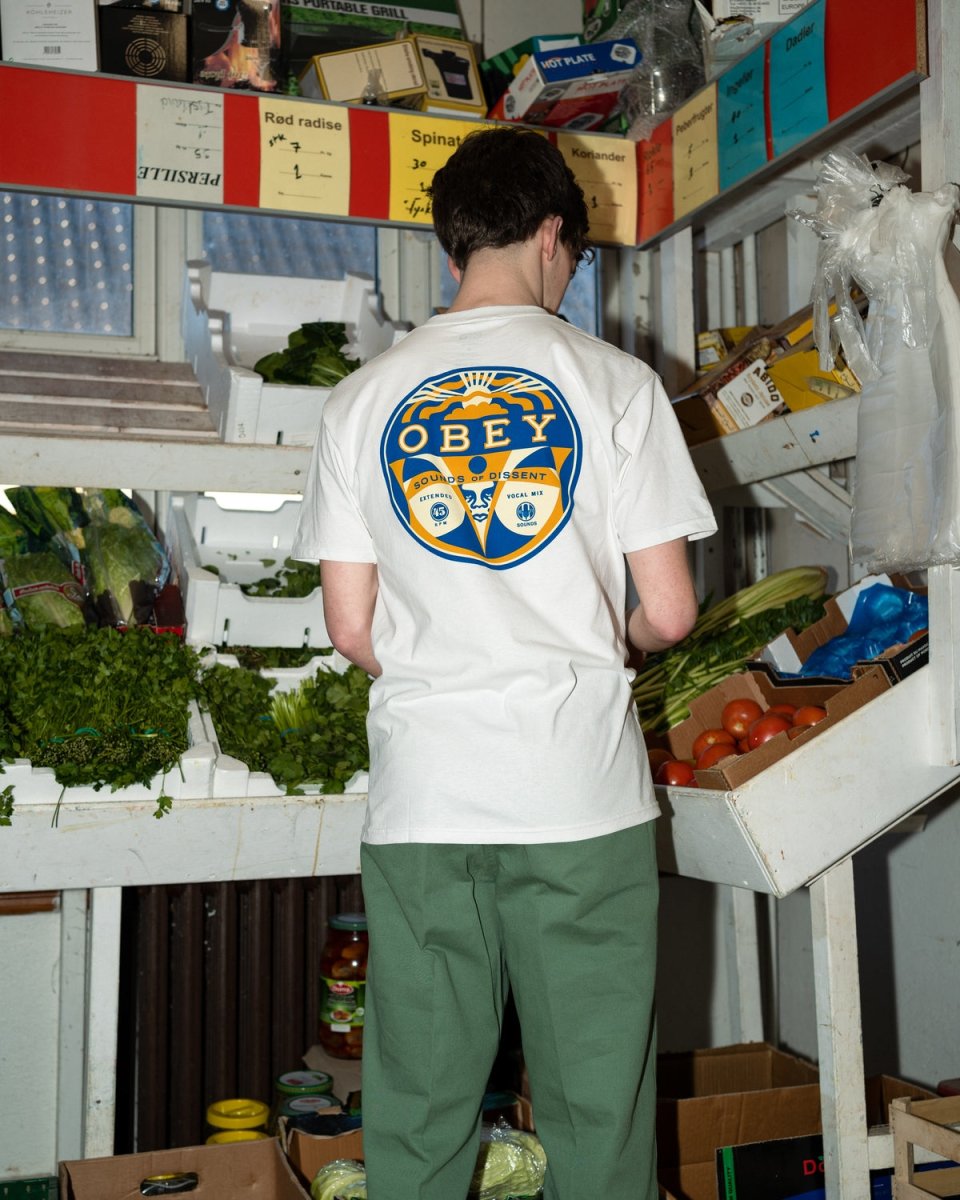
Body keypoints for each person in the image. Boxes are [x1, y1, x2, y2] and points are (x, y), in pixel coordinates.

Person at [292, 126, 717, 1200]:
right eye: (572, 257)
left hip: (429, 797)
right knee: (595, 1107)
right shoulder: (616, 384)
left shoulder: (360, 400)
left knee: (421, 1104)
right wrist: (584, 633)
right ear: (549, 237)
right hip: (580, 791)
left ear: (453, 253)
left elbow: (352, 629)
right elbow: (668, 611)